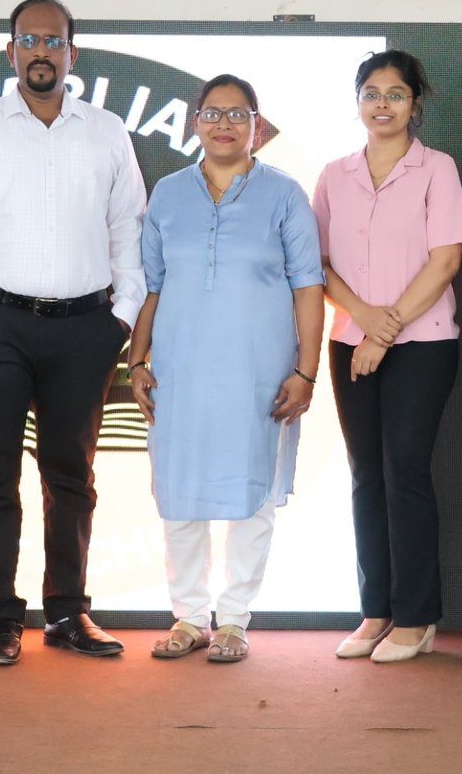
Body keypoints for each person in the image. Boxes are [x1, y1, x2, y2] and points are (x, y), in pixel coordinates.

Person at [0, 0, 145, 666]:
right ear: (10, 50)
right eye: (28, 40)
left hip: (85, 327)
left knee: (71, 475)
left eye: (53, 41)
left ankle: (69, 612)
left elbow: (128, 228)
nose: (40, 52)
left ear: (72, 53)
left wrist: (123, 316)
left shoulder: (106, 132)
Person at [128, 75, 324, 664]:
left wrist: (306, 371)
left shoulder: (284, 195)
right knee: (180, 492)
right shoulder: (168, 194)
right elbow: (151, 287)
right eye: (213, 114)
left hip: (259, 373)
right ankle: (189, 617)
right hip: (179, 370)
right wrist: (136, 360)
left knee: (252, 495)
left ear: (256, 127)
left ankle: (235, 619)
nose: (224, 125)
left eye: (238, 114)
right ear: (195, 124)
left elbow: (308, 287)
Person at [313, 51, 462, 663]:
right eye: (371, 93)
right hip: (350, 340)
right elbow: (319, 264)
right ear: (357, 102)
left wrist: (386, 330)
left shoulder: (437, 169)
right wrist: (363, 319)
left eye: (395, 94)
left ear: (414, 103)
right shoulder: (334, 175)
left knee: (404, 470)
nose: (383, 104)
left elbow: (446, 259)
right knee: (365, 474)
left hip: (423, 343)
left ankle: (416, 616)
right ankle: (376, 609)